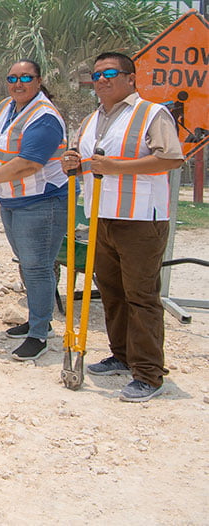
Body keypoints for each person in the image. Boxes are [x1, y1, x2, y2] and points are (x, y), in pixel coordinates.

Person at [62, 52, 184, 402]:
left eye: (110, 73)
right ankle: (121, 354)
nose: (101, 79)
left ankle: (148, 373)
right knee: (112, 292)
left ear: (131, 78)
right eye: (97, 74)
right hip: (101, 216)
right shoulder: (92, 119)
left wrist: (117, 167)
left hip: (141, 219)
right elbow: (88, 160)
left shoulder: (150, 113)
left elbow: (172, 158)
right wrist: (73, 162)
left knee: (141, 296)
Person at [0, 59, 68, 361]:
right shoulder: (6, 106)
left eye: (26, 77)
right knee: (27, 265)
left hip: (40, 202)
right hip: (12, 200)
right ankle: (36, 320)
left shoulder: (44, 117)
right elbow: (1, 142)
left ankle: (40, 333)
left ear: (39, 81)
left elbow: (29, 163)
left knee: (37, 267)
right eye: (12, 78)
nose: (18, 83)